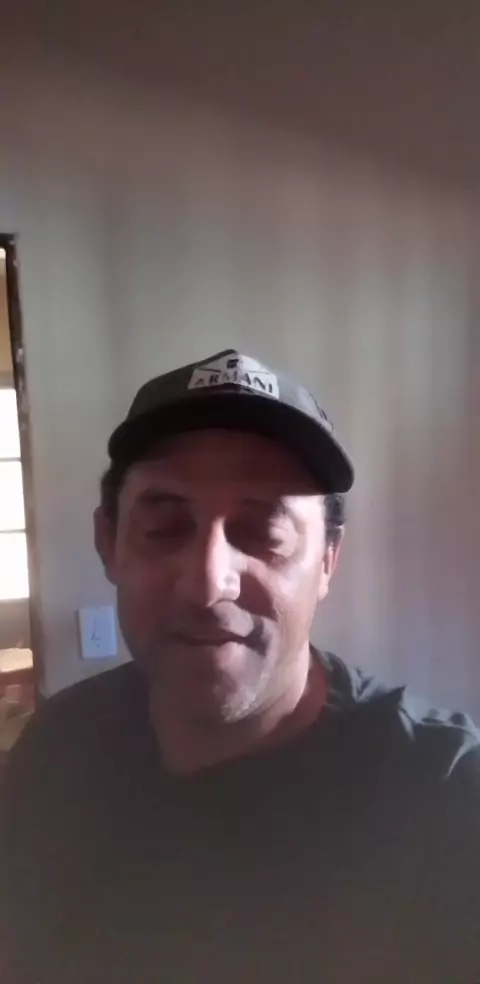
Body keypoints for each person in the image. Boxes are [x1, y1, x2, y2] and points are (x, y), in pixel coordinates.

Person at [2, 349, 480, 984]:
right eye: (165, 527)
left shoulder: (448, 797)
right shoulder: (55, 745)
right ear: (108, 544)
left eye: (263, 534)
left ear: (327, 562)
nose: (208, 584)